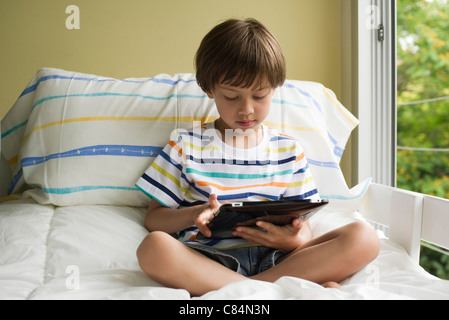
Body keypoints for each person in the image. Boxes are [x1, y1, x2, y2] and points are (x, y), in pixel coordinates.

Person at [136, 18, 380, 296]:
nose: (247, 109)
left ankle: (254, 288)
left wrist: (292, 240)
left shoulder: (289, 151)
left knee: (364, 237)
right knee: (153, 247)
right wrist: (194, 214)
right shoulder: (185, 145)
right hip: (209, 259)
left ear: (274, 89)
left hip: (278, 257)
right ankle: (282, 289)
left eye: (259, 96)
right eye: (231, 96)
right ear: (210, 89)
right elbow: (153, 220)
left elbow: (304, 228)